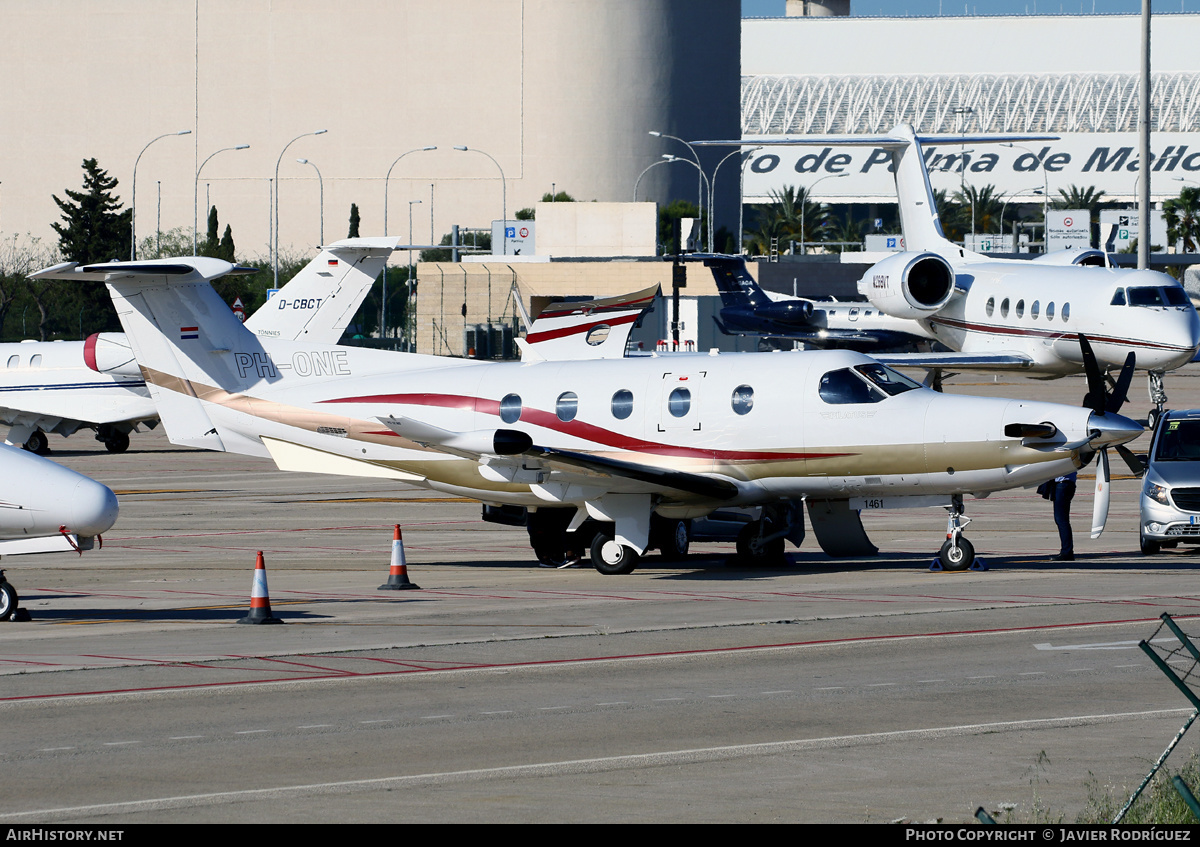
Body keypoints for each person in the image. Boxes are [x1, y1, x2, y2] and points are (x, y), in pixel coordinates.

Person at [1038, 472, 1077, 561]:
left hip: (1063, 485)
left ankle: (1067, 552)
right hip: (1063, 485)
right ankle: (1067, 551)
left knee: (1061, 520)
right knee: (1061, 520)